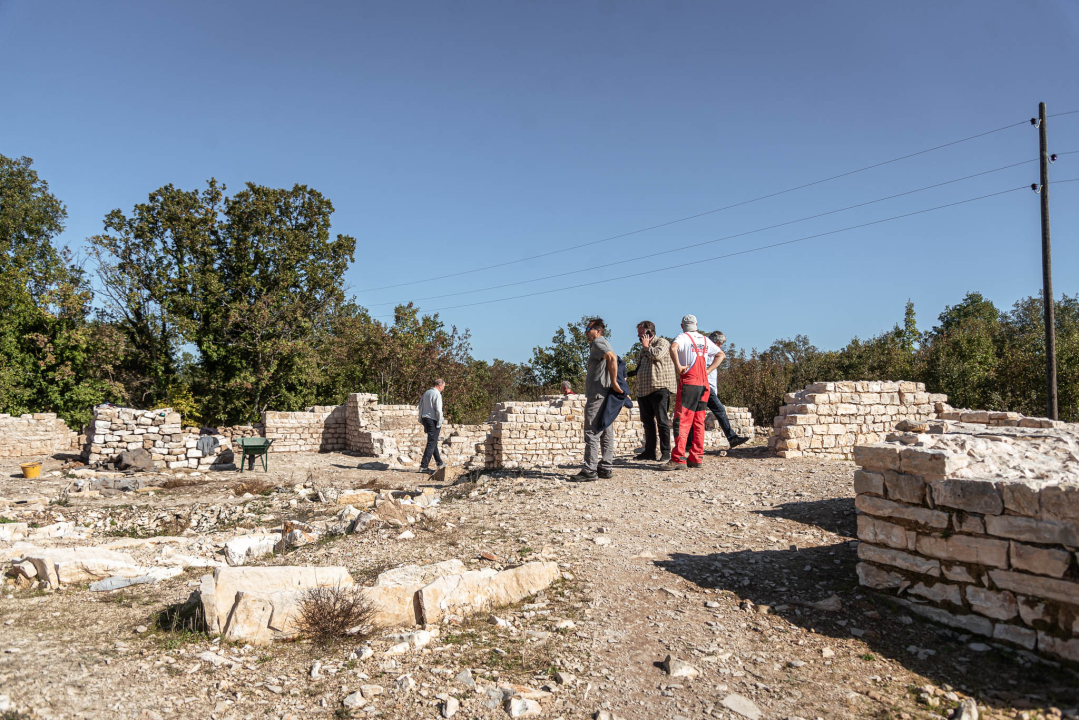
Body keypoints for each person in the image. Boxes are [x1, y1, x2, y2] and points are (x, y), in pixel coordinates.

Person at [660, 315, 724, 471]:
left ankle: (678, 458)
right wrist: (708, 370)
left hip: (689, 382)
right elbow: (721, 354)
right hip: (704, 383)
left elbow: (673, 348)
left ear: (682, 326)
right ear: (696, 325)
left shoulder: (682, 337)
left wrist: (679, 366)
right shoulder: (704, 339)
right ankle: (696, 457)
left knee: (681, 420)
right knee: (698, 421)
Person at [572, 317, 623, 482]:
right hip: (604, 395)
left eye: (588, 329)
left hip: (597, 395)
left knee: (592, 432)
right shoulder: (603, 343)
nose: (586, 332)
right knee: (606, 431)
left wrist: (614, 382)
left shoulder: (598, 343)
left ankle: (589, 470)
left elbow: (612, 358)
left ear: (598, 330)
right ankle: (605, 468)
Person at [626, 321, 676, 462]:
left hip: (659, 388)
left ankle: (666, 452)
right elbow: (640, 367)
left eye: (641, 333)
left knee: (662, 421)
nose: (638, 336)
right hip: (644, 390)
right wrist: (626, 375)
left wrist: (647, 346)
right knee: (647, 423)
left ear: (649, 333)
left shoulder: (662, 342)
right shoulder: (644, 348)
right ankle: (649, 452)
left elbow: (657, 356)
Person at [705, 331, 750, 449]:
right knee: (719, 410)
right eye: (720, 343)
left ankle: (689, 443)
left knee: (697, 413)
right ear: (716, 342)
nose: (720, 346)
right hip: (706, 386)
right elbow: (722, 355)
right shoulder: (710, 349)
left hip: (708, 387)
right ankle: (732, 437)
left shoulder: (709, 350)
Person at [417, 379, 446, 473]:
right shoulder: (437, 394)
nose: (443, 388)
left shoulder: (426, 393)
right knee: (431, 442)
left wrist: (421, 419)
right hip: (433, 420)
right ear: (439, 385)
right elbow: (438, 409)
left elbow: (420, 406)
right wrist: (440, 421)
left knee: (433, 441)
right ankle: (424, 466)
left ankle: (439, 463)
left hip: (425, 418)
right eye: (443, 386)